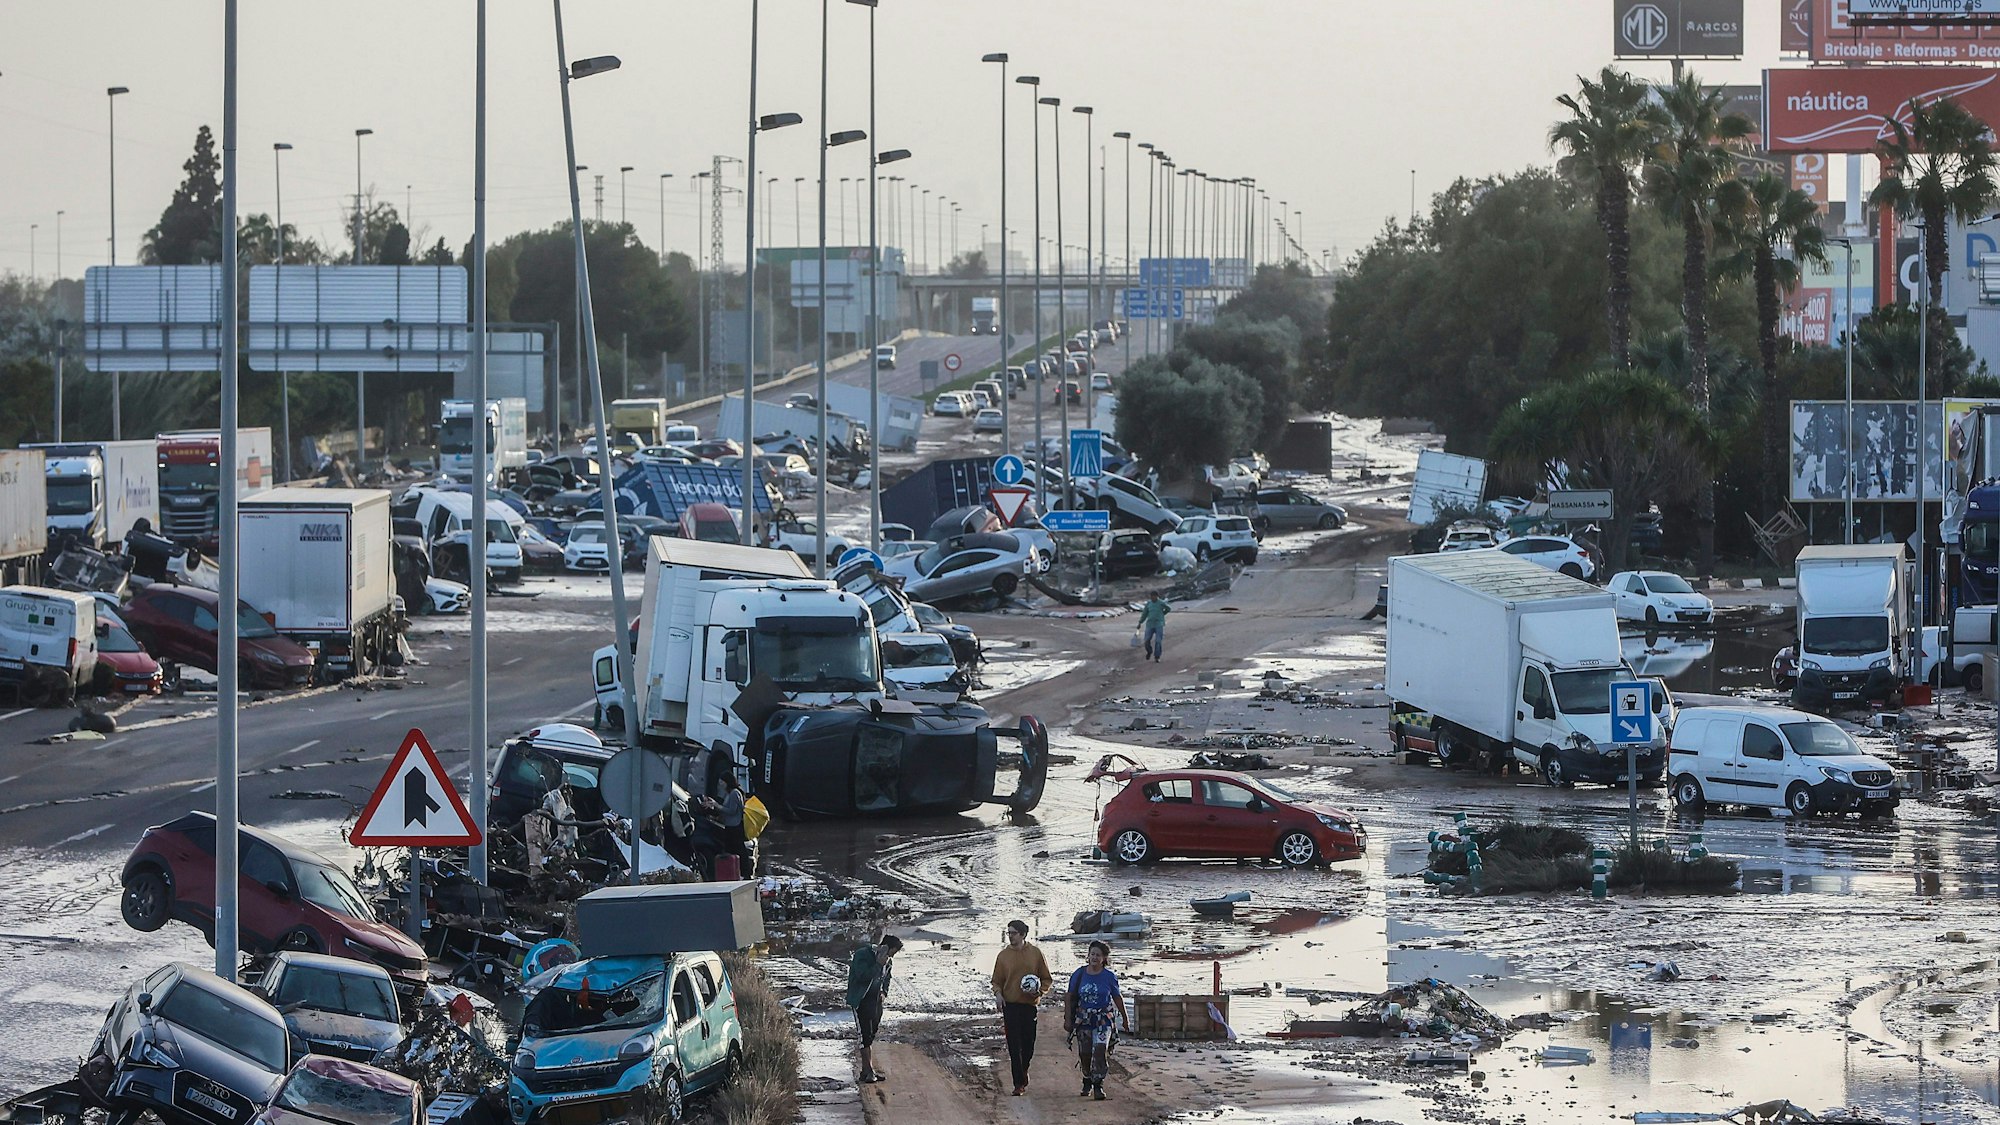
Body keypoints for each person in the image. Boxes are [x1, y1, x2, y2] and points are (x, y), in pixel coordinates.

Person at [990, 919, 1054, 1097]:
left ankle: (1024, 1069)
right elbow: (996, 980)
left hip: (1029, 1005)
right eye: (1008, 933)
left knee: (1028, 1045)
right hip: (1010, 1005)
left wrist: (1039, 991)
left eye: (1013, 933)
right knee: (1013, 1044)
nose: (1010, 936)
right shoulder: (1003, 956)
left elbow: (1046, 978)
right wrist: (998, 994)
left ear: (1023, 934)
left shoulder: (1035, 953)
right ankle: (1018, 1084)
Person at [1064, 940, 1130, 1100]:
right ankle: (1087, 1078)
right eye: (1092, 954)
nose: (1094, 957)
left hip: (1103, 1020)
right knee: (1085, 1053)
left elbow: (1117, 997)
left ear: (1104, 958)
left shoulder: (1109, 976)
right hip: (1084, 1020)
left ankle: (1098, 1084)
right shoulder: (1079, 974)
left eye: (1098, 955)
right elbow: (1069, 996)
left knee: (1100, 1049)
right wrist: (1068, 1019)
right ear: (1088, 955)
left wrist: (1125, 1018)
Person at [847, 933, 901, 1084]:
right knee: (864, 1035)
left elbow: (887, 978)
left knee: (871, 1033)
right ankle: (869, 1070)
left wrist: (884, 992)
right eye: (892, 952)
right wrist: (878, 964)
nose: (892, 956)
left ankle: (866, 1071)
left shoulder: (888, 961)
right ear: (885, 947)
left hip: (876, 1001)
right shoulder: (862, 955)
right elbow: (862, 976)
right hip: (861, 999)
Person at [1139, 595, 1171, 662]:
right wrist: (1140, 622)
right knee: (1146, 640)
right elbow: (1144, 613)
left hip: (1159, 624)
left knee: (1158, 641)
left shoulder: (1161, 603)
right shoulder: (1149, 603)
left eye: (1154, 597)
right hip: (1150, 624)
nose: (1152, 599)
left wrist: (1162, 614)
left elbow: (1168, 608)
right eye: (1151, 597)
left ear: (1157, 597)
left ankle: (1157, 656)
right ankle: (1149, 651)